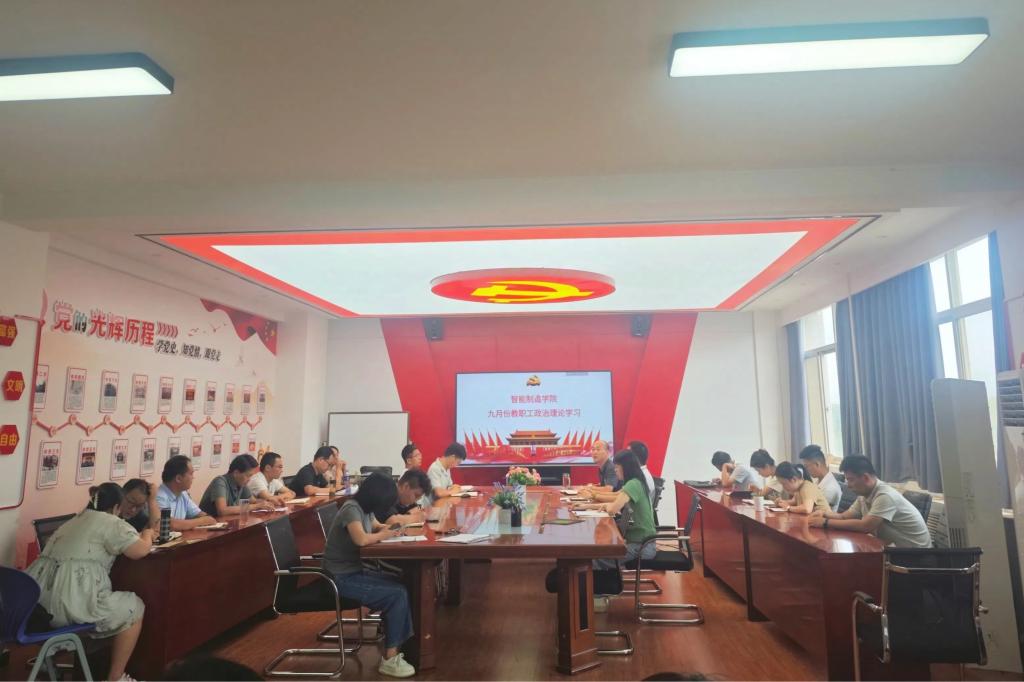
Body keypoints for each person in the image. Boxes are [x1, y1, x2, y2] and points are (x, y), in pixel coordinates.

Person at [26, 483, 153, 681]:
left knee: (107, 605)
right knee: (134, 607)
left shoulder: (73, 520)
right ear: (116, 507)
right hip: (69, 605)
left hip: (37, 607)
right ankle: (115, 678)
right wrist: (147, 535)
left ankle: (58, 660)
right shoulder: (112, 522)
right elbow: (140, 551)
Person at [323, 473, 415, 678]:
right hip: (338, 579)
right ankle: (390, 658)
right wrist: (385, 534)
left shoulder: (365, 509)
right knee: (396, 593)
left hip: (352, 572)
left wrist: (393, 529)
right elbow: (361, 539)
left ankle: (398, 640)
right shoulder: (351, 508)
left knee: (403, 583)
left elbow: (376, 526)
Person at [808, 455, 932, 548]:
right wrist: (824, 514)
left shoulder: (885, 495)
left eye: (850, 480)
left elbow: (865, 526)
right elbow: (843, 516)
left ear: (866, 478)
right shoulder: (864, 495)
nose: (848, 485)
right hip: (895, 550)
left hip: (916, 557)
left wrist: (825, 523)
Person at [574, 450, 657, 570]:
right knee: (597, 555)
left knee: (595, 559)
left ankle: (594, 581)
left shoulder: (633, 484)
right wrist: (584, 507)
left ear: (626, 467)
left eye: (617, 467)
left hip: (642, 547)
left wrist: (599, 502)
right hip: (639, 544)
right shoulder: (634, 482)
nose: (615, 470)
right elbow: (615, 499)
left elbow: (612, 509)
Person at [199, 454, 273, 517]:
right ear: (236, 473)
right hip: (209, 526)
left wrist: (266, 503)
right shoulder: (220, 482)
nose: (249, 479)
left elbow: (253, 501)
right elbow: (222, 511)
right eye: (248, 476)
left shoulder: (241, 483)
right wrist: (256, 506)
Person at [156, 456, 210, 530]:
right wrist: (202, 521)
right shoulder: (159, 496)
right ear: (178, 478)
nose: (193, 477)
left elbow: (201, 515)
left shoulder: (183, 493)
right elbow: (169, 524)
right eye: (191, 474)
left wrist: (205, 519)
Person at [798, 444, 842, 511]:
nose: (806, 470)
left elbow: (810, 509)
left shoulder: (830, 488)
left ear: (817, 464)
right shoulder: (819, 481)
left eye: (807, 466)